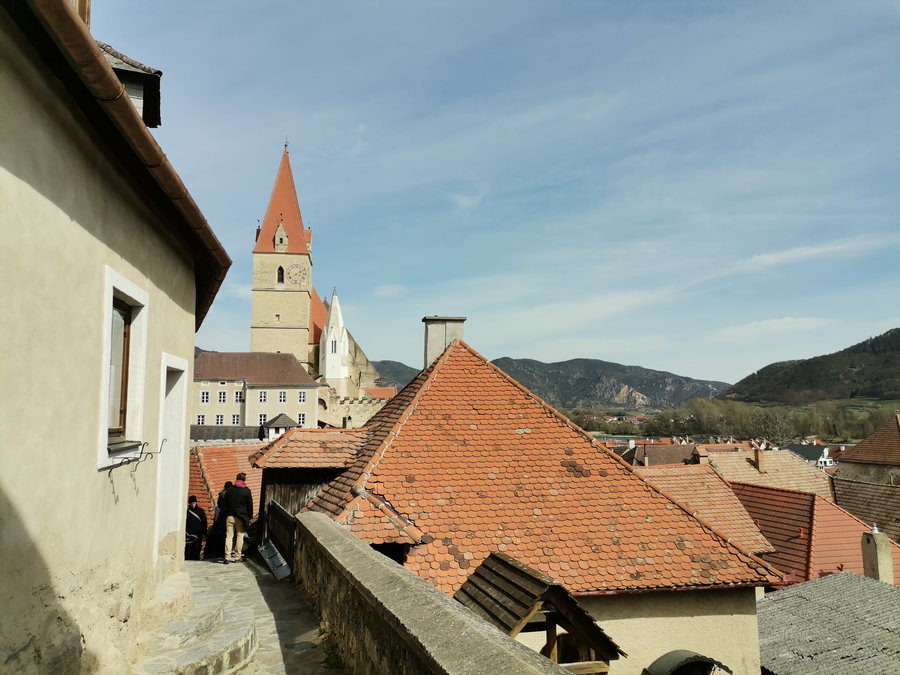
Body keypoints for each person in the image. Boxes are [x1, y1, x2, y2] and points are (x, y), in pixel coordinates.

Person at [222, 472, 253, 563]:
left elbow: (225, 504)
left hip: (230, 516)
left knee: (229, 536)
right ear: (244, 480)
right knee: (240, 536)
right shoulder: (246, 491)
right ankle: (237, 556)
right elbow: (249, 505)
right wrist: (249, 516)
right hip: (241, 517)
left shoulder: (230, 490)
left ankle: (227, 557)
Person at [203, 481, 232, 560]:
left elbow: (217, 514)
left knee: (221, 539)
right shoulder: (232, 497)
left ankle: (220, 554)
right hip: (228, 521)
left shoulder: (221, 497)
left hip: (220, 524)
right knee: (228, 537)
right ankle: (226, 554)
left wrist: (215, 526)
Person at [184, 496, 207, 560]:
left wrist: (205, 533)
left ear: (196, 503)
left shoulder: (201, 512)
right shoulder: (186, 512)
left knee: (197, 550)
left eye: (194, 503)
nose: (192, 504)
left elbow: (204, 523)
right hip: (189, 535)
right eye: (191, 503)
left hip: (198, 535)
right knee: (188, 550)